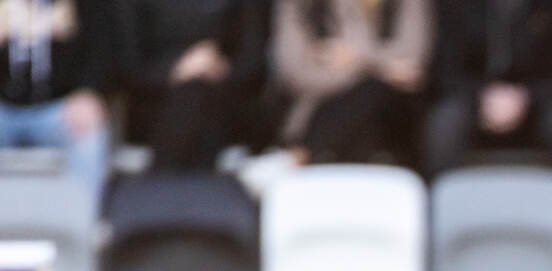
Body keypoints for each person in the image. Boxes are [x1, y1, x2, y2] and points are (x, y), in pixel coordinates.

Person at [423, 0, 552, 178]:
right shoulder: (457, 5)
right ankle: (438, 200)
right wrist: (481, 96)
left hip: (543, 99)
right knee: (444, 125)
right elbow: (445, 70)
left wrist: (525, 97)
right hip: (472, 97)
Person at [272, 0, 433, 166]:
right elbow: (294, 74)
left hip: (389, 112)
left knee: (373, 92)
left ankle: (303, 154)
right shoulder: (299, 6)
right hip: (318, 108)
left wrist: (356, 61)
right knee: (368, 92)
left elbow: (412, 63)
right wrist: (382, 69)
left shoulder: (406, 4)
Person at [120, 0, 271, 171]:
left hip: (227, 99)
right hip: (156, 106)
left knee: (198, 94)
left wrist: (215, 66)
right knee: (191, 96)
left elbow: (255, 61)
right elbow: (127, 67)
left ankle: (160, 183)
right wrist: (179, 69)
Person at [0, 0, 116, 200]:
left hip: (58, 107)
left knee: (88, 131)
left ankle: (82, 220)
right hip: (4, 110)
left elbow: (104, 47)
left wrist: (87, 90)